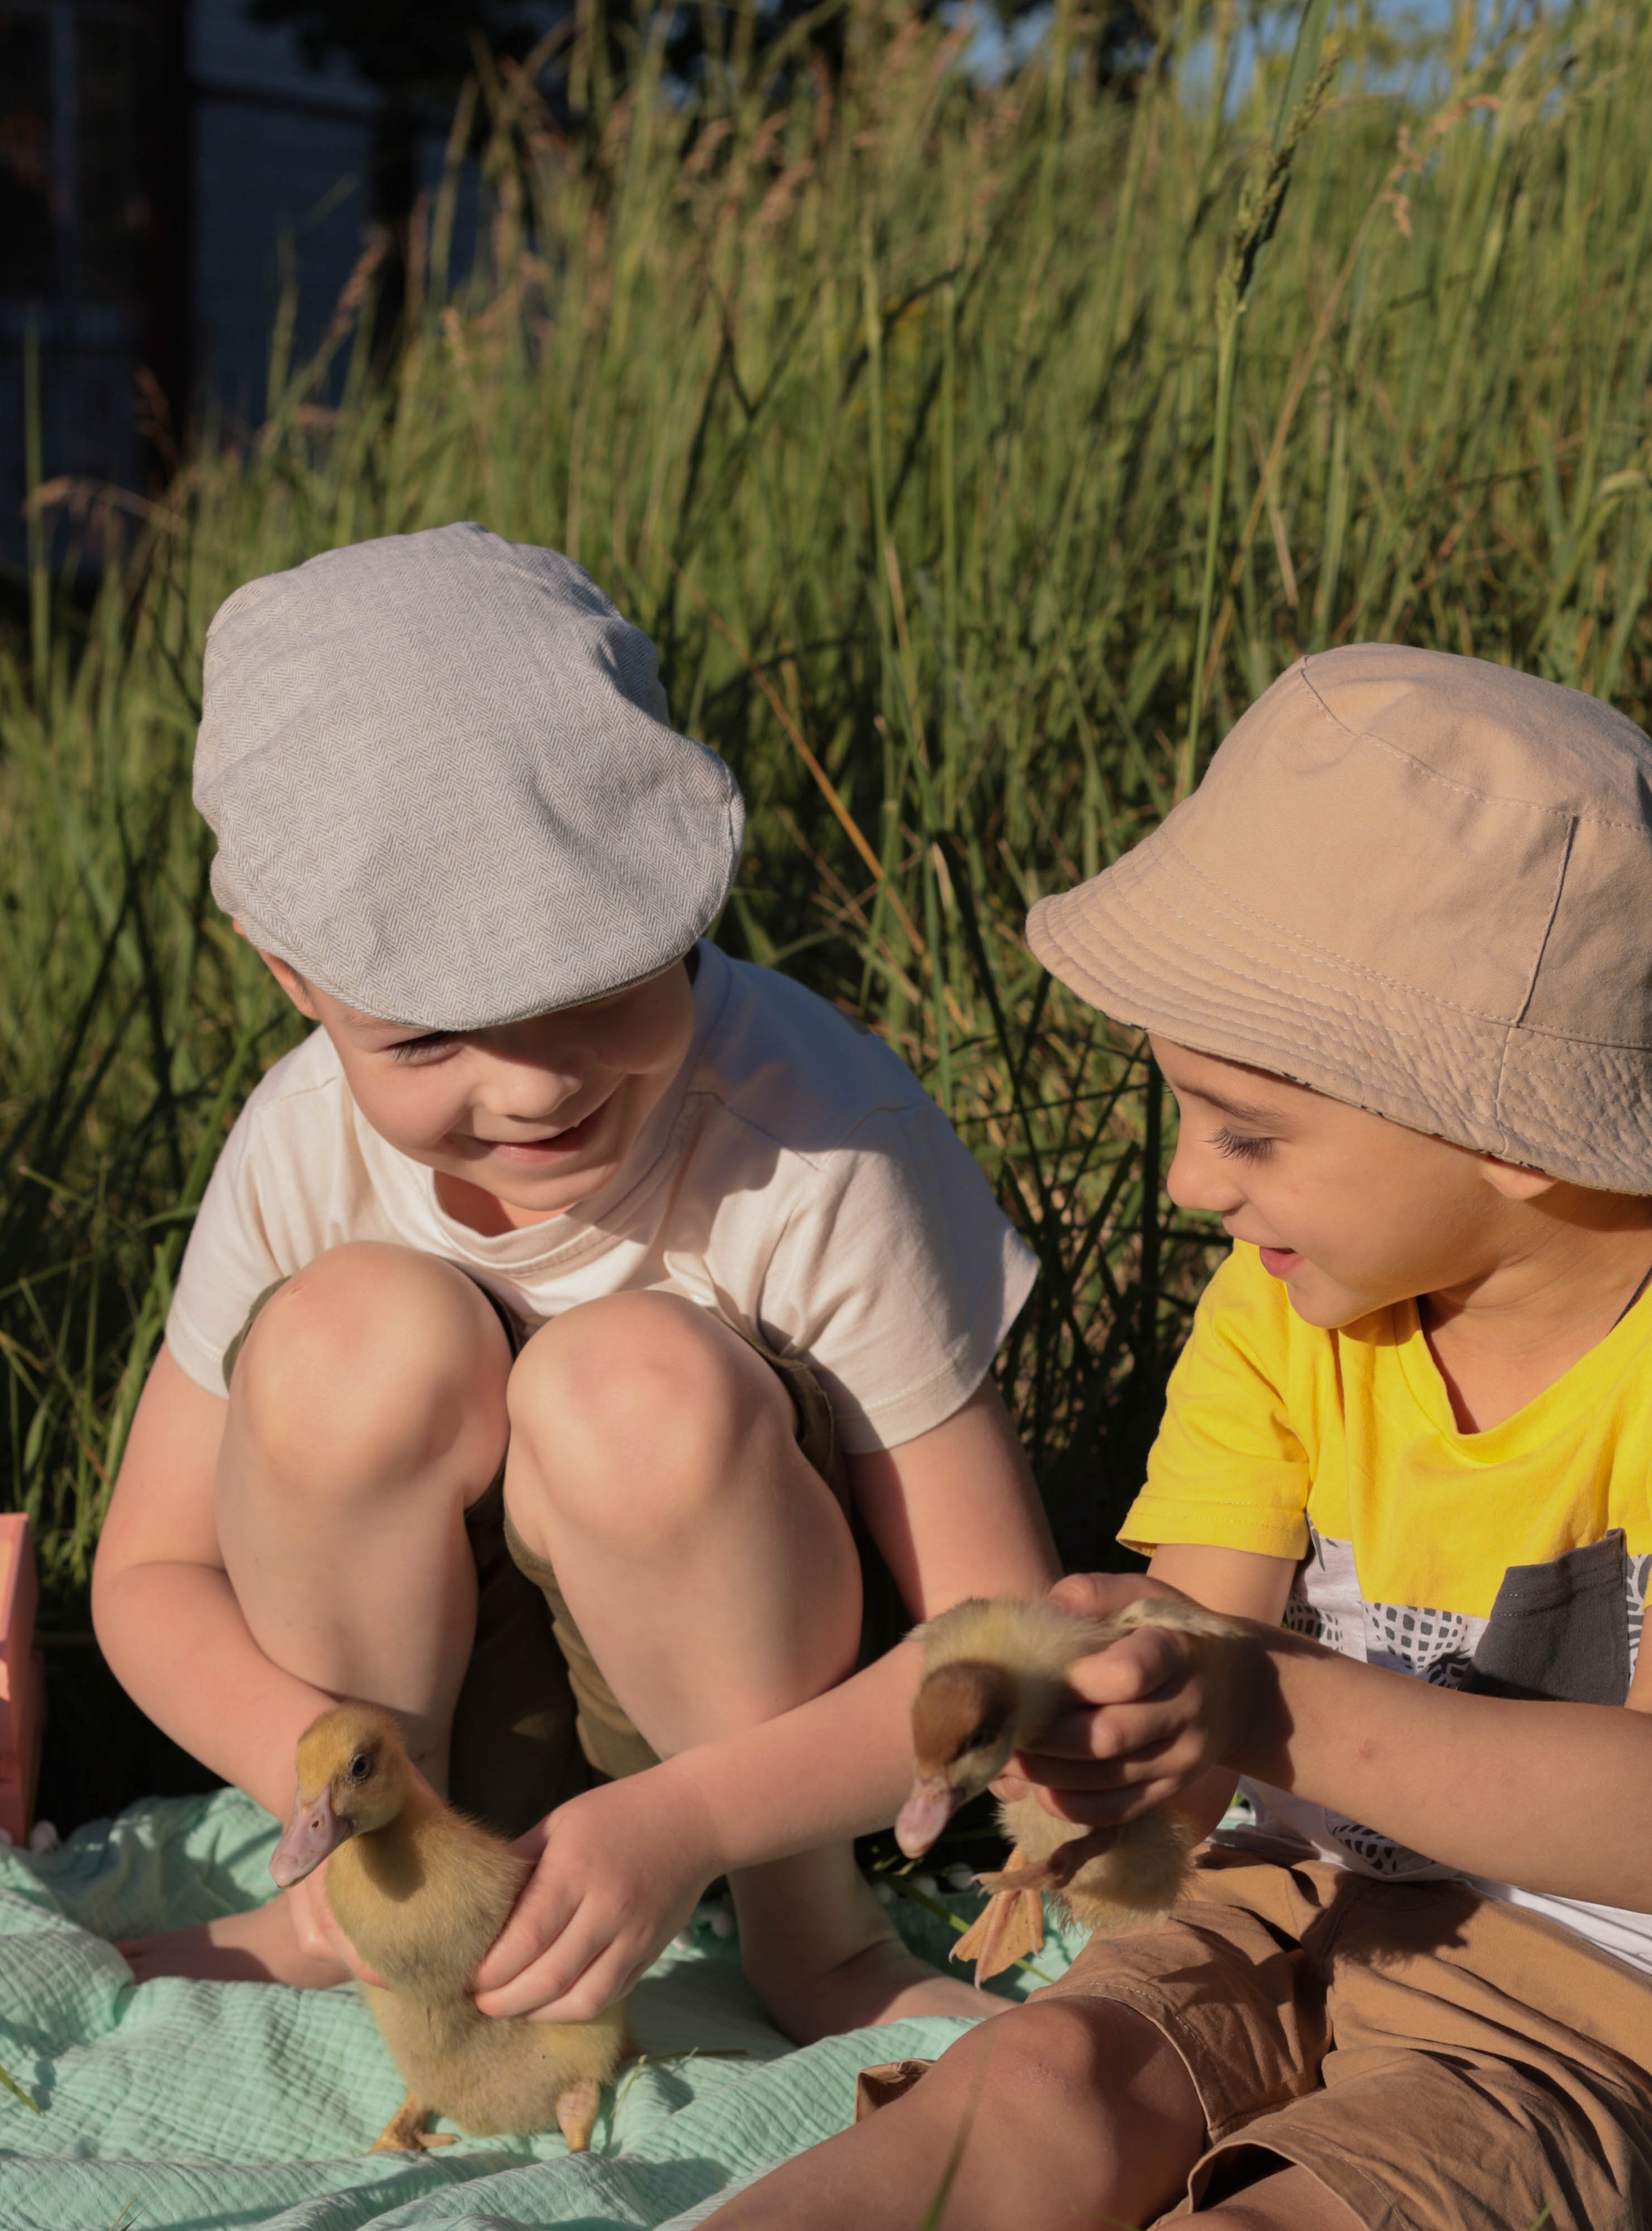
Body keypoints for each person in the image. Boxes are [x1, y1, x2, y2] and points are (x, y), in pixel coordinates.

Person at [253, 641, 1652, 2231]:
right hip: (1304, 1916)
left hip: (1651, 2022)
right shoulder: (1300, 1310)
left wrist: (1251, 1711)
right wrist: (1040, 1769)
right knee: (1017, 2109)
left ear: (1498, 1120)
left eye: (1246, 1126)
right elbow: (1147, 1690)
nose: (1197, 1183)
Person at [94, 524, 1054, 2044]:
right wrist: (328, 1769)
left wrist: (689, 1825)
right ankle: (356, 1910)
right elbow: (145, 1575)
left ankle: (813, 1937)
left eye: (596, 979)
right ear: (291, 975)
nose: (533, 1087)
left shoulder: (811, 1137)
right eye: (423, 1037)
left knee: (631, 1387)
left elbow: (998, 1636)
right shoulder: (298, 1143)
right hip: (417, 1756)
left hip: (751, 1755)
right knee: (351, 1339)